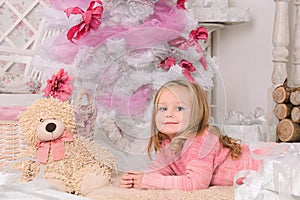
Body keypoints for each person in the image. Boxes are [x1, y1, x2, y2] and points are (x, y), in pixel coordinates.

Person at [119, 79, 262, 191]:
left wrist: (150, 181)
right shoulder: (168, 142)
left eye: (179, 108)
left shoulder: (201, 140)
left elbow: (195, 182)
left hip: (262, 166)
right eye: (163, 108)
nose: (168, 114)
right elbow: (161, 169)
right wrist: (137, 178)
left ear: (196, 114)